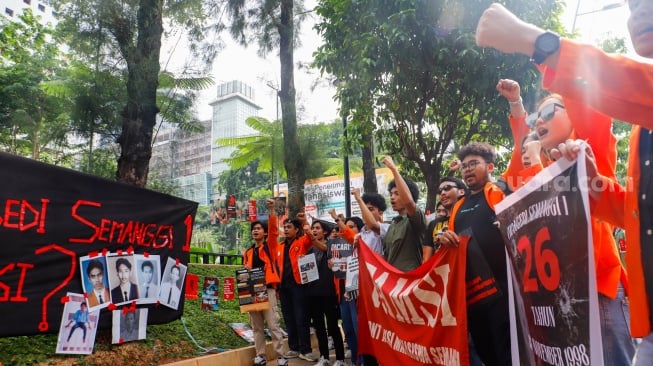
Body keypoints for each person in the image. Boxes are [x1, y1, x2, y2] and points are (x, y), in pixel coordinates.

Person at [477, 7, 639, 364]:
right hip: (556, 304)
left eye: (552, 111)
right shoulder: (538, 172)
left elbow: (590, 106)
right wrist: (519, 111)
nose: (542, 120)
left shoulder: (588, 150)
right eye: (539, 118)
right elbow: (513, 184)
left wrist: (542, 52)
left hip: (598, 292)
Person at [439, 142, 510, 366]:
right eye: (465, 166)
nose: (468, 170)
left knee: (506, 353)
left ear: (489, 167)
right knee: (484, 351)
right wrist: (446, 239)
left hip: (503, 293)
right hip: (473, 295)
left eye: (474, 164)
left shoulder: (497, 193)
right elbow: (450, 243)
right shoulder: (458, 206)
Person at [242, 199, 288, 366]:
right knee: (256, 327)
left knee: (273, 324)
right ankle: (260, 355)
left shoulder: (270, 246)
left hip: (267, 289)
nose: (255, 231)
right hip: (252, 292)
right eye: (254, 229)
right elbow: (244, 273)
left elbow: (275, 229)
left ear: (266, 233)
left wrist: (271, 210)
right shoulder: (247, 251)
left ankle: (281, 356)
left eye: (259, 228)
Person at [275, 212, 318, 362]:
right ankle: (294, 348)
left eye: (289, 227)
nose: (286, 229)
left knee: (301, 318)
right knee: (289, 319)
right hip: (283, 287)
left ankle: (305, 350)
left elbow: (311, 236)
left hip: (299, 286)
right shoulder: (279, 247)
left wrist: (305, 221)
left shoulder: (302, 242)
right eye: (284, 227)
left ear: (296, 230)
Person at [306, 220, 346, 366]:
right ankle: (324, 357)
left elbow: (325, 250)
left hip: (329, 293)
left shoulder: (331, 246)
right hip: (314, 293)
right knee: (319, 327)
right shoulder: (310, 250)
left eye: (317, 228)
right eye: (313, 228)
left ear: (325, 232)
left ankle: (340, 358)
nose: (314, 230)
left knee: (333, 326)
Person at [380, 155, 426, 272]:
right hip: (394, 284)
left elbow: (409, 203)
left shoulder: (416, 219)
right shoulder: (393, 224)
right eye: (391, 194)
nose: (392, 198)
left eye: (397, 193)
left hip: (410, 282)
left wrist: (394, 170)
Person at [423, 177, 466, 261]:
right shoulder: (433, 224)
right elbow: (426, 259)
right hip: (442, 272)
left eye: (447, 188)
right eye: (440, 191)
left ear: (461, 191)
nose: (442, 193)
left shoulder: (470, 217)